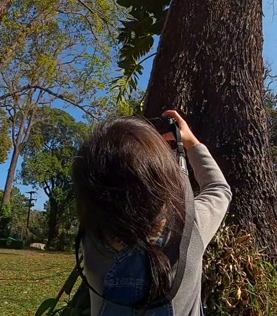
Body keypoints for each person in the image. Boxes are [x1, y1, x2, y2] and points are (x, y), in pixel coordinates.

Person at [72, 110, 232, 315]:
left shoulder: (92, 242)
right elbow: (218, 189)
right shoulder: (192, 228)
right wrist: (190, 143)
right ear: (165, 180)